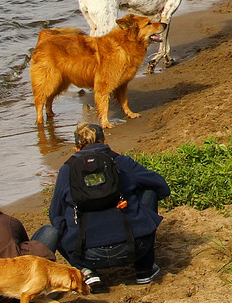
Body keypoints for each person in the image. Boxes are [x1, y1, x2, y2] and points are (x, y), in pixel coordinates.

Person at [33, 123, 170, 286]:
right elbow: (162, 186)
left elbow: (55, 214)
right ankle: (144, 268)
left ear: (77, 147)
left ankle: (85, 271)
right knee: (149, 192)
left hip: (86, 254)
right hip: (133, 248)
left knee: (58, 223)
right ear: (104, 142)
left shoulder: (66, 170)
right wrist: (131, 201)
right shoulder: (121, 161)